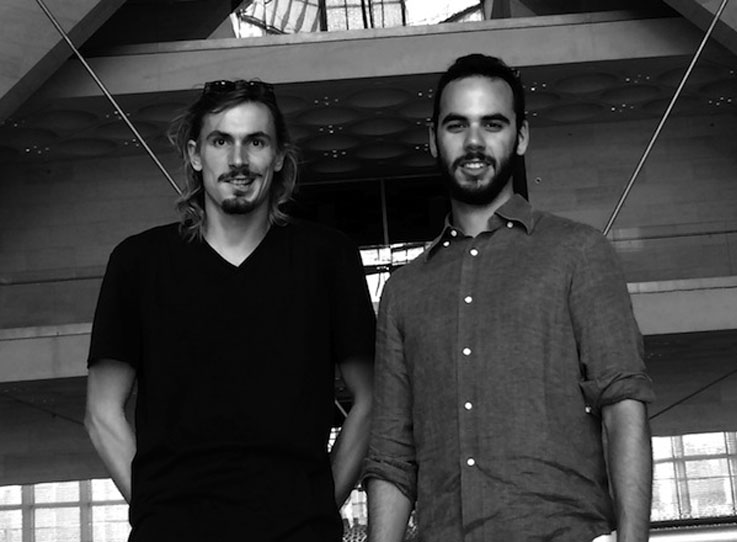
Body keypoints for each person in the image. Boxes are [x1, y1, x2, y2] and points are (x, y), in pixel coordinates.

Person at [363, 54, 655, 542]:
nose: (474, 142)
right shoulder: (403, 290)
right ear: (433, 138)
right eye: (457, 125)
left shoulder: (578, 252)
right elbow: (392, 456)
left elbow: (623, 404)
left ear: (520, 137)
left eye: (493, 124)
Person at [84, 79, 375, 541]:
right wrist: (157, 515)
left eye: (255, 142)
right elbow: (101, 411)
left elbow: (371, 399)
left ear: (278, 156)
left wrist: (318, 507)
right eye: (221, 141)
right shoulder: (138, 262)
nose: (238, 160)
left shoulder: (327, 258)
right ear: (196, 154)